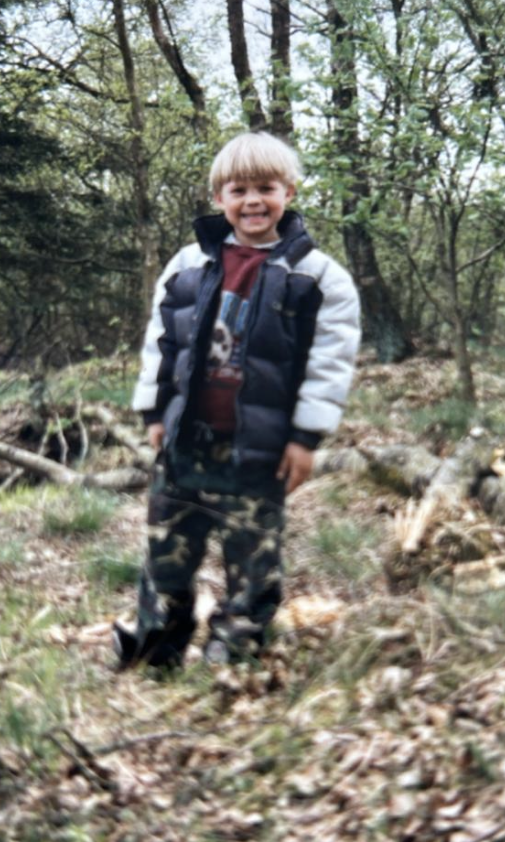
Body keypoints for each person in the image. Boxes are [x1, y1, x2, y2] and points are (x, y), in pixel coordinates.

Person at [113, 131, 361, 668]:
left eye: (266, 188)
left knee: (253, 557)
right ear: (219, 197)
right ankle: (157, 643)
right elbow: (162, 340)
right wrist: (155, 412)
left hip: (261, 450)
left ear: (289, 192)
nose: (253, 201)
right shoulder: (187, 265)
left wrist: (305, 438)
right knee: (167, 552)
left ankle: (236, 646)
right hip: (187, 442)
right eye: (239, 189)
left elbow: (329, 364)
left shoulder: (318, 277)